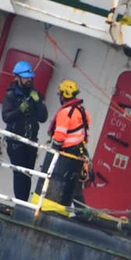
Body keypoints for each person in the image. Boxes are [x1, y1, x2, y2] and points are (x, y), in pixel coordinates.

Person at [0, 60, 47, 201]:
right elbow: (6, 117)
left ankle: (23, 202)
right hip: (15, 141)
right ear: (18, 77)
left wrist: (38, 102)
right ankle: (21, 202)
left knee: (28, 174)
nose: (29, 80)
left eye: (30, 77)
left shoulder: (35, 94)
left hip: (31, 141)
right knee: (19, 174)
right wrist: (19, 110)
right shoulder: (11, 96)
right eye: (26, 77)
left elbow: (43, 117)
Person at [42, 79, 90, 209]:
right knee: (75, 185)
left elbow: (59, 137)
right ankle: (82, 213)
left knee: (59, 182)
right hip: (80, 153)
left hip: (66, 154)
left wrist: (52, 154)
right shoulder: (83, 112)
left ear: (63, 95)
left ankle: (54, 209)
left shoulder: (65, 113)